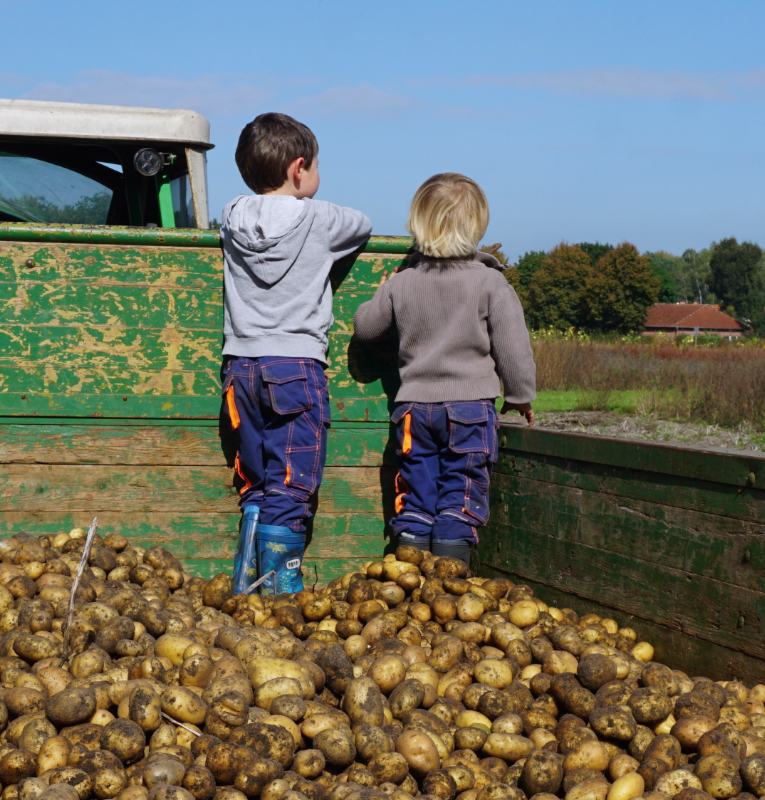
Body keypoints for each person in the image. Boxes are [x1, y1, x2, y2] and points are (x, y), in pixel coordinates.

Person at [220, 112, 373, 594]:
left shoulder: (231, 215)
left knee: (258, 478)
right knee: (293, 476)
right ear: (299, 167)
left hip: (240, 367)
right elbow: (363, 224)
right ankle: (281, 589)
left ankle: (247, 577)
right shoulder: (319, 218)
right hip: (295, 365)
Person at [352, 173, 535, 563]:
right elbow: (513, 347)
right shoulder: (490, 283)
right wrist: (520, 396)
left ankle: (408, 583)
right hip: (470, 410)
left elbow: (366, 329)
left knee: (416, 495)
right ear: (477, 226)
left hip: (414, 410)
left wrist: (382, 290)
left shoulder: (403, 282)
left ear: (418, 225)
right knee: (461, 494)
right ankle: (450, 588)